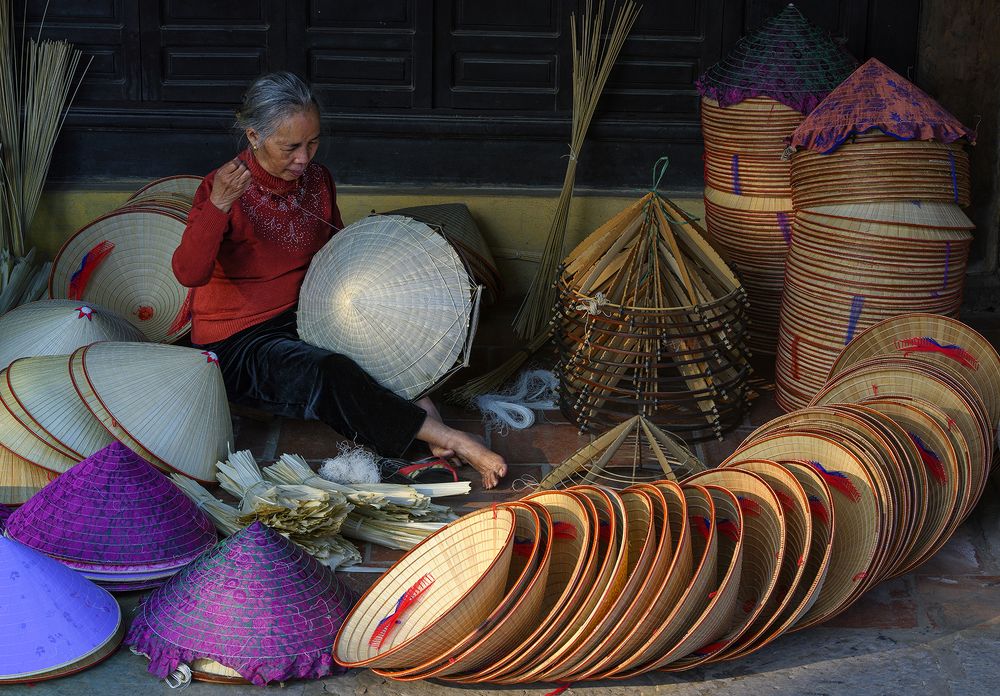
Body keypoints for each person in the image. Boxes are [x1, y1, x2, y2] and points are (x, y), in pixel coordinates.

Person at [172, 71, 507, 489]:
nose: (304, 158)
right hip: (240, 340)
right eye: (290, 146)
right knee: (329, 370)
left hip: (306, 310)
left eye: (312, 142)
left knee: (374, 332)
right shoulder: (220, 188)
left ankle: (429, 426)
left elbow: (335, 253)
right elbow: (188, 273)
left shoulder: (317, 179)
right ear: (254, 136)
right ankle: (450, 437)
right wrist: (219, 205)